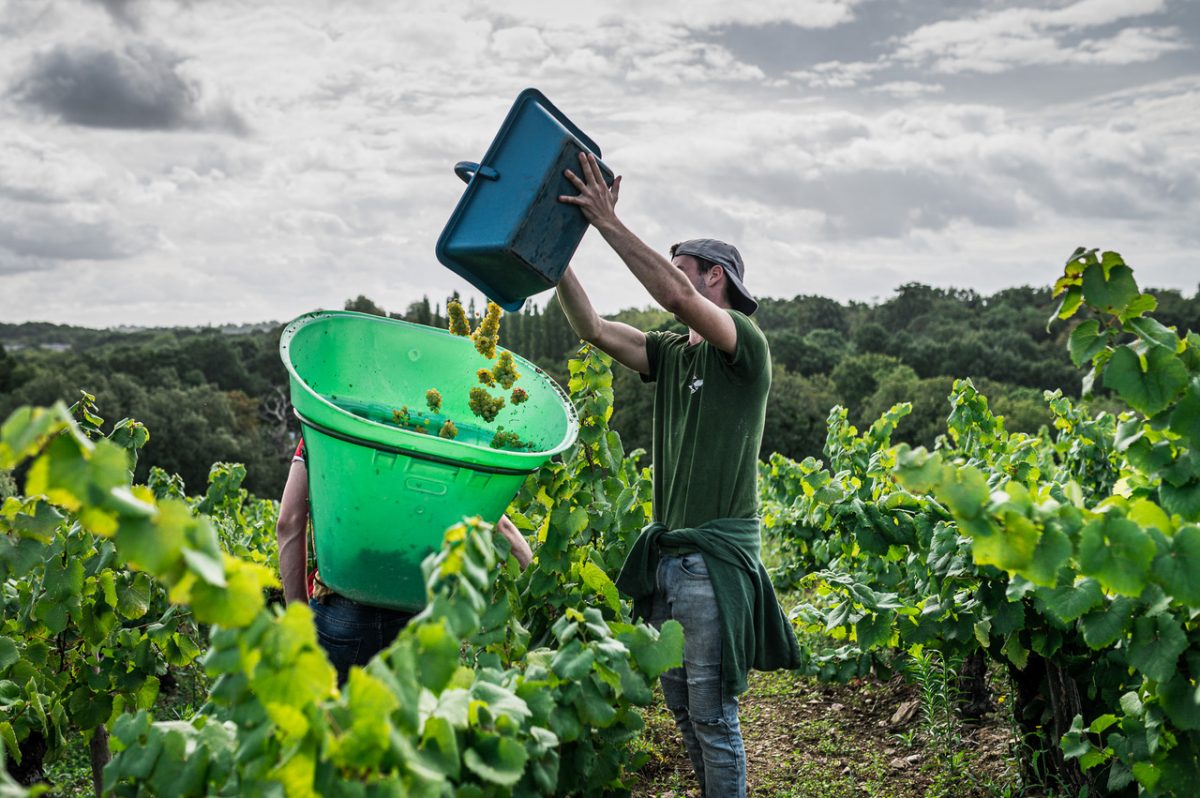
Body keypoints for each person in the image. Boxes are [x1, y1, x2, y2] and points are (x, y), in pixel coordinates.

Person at [557, 152, 800, 797]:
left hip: (711, 564)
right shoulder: (668, 353)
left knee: (714, 717)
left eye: (686, 265)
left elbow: (673, 294)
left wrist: (609, 222)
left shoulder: (743, 345)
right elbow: (592, 327)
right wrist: (554, 255)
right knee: (684, 710)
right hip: (668, 560)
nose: (677, 278)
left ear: (714, 277)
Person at [275, 439, 533, 685]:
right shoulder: (437, 439)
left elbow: (288, 523)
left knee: (319, 721)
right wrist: (536, 584)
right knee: (405, 724)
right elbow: (495, 520)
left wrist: (297, 628)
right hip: (419, 616)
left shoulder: (323, 428)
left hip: (340, 613)